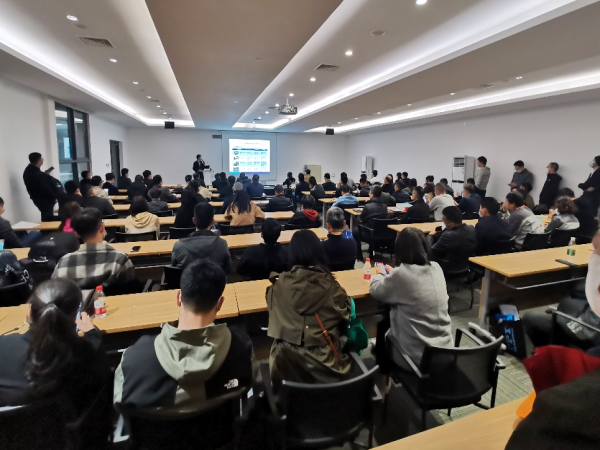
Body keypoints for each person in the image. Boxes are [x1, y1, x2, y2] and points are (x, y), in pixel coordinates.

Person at [114, 260, 252, 413]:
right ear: (220, 304)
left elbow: (120, 404)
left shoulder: (133, 360)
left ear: (178, 297)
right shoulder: (243, 350)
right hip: (222, 428)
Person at [0, 279, 111, 439]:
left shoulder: (3, 347)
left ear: (30, 315)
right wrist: (92, 333)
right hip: (71, 442)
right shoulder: (87, 351)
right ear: (75, 314)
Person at [267, 230, 351, 385]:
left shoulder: (280, 285)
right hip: (326, 367)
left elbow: (272, 309)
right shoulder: (331, 286)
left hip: (285, 368)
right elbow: (346, 313)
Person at [370, 227, 452, 367]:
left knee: (384, 320)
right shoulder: (436, 267)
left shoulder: (401, 275)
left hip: (416, 359)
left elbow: (375, 290)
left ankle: (383, 372)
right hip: (446, 352)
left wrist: (379, 274)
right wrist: (395, 273)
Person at [522, 230, 600, 350]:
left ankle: (549, 355)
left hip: (588, 331)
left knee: (530, 318)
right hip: (590, 319)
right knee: (566, 302)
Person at [52, 208, 136, 289]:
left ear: (77, 234)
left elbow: (55, 291)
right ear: (102, 228)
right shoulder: (120, 260)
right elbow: (130, 289)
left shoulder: (62, 263)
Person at [171, 203, 232, 273]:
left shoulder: (178, 246)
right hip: (215, 280)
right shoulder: (222, 244)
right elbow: (227, 269)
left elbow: (174, 269)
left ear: (194, 220)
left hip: (188, 280)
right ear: (213, 221)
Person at [23, 152, 60, 221]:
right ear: (39, 160)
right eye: (42, 158)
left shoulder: (28, 171)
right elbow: (45, 188)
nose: (43, 160)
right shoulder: (39, 175)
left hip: (36, 198)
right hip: (45, 199)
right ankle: (48, 228)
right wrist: (54, 196)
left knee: (46, 216)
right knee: (48, 218)